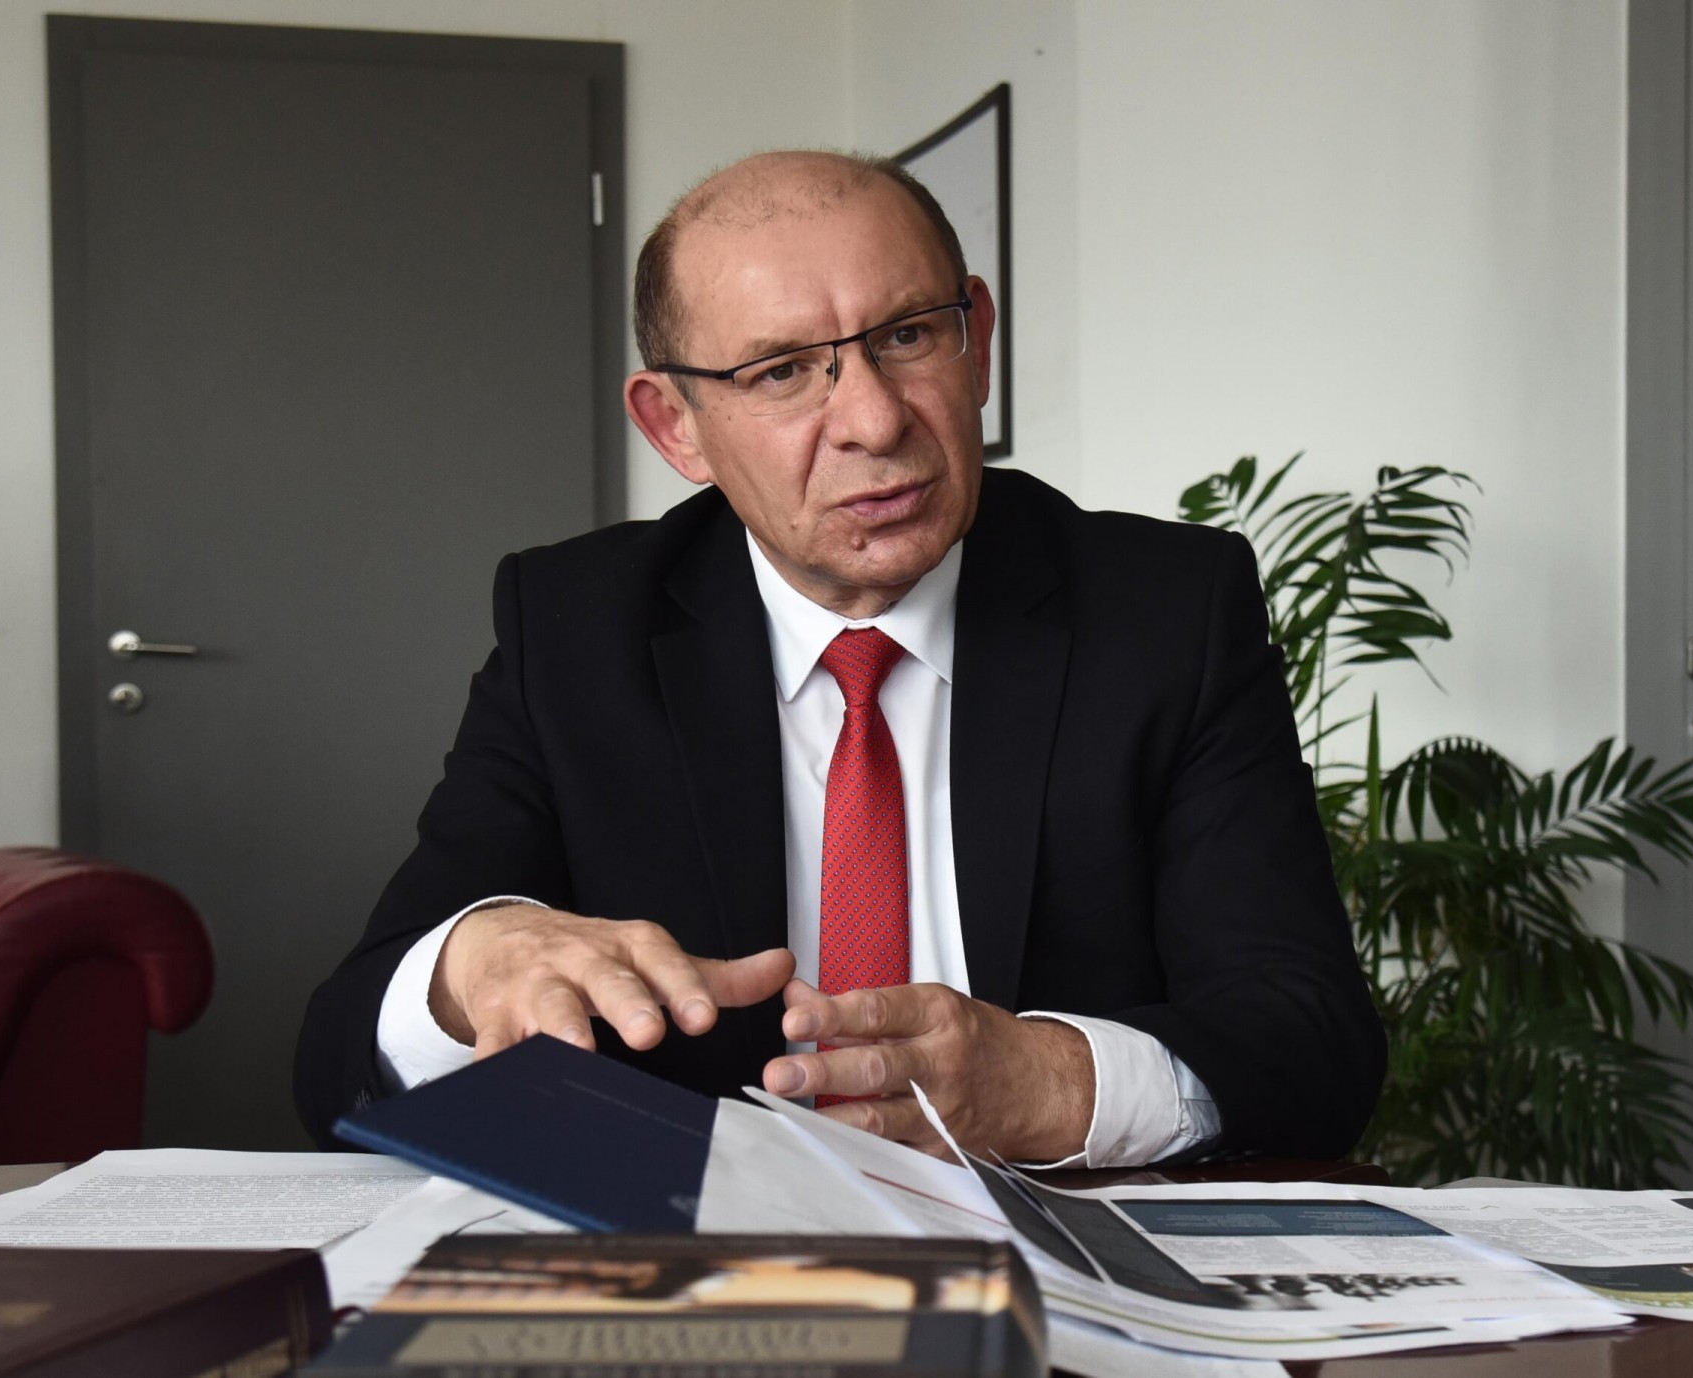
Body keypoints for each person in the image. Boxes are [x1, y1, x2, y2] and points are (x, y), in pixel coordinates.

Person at [294, 150, 1383, 1167]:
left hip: (1058, 1260)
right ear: (675, 427)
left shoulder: (1163, 614)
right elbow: (334, 1062)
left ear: (979, 340)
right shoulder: (577, 630)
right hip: (706, 1266)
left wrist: (1046, 1082)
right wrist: (468, 966)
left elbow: (1312, 1041)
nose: (874, 420)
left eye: (908, 335)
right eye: (781, 372)